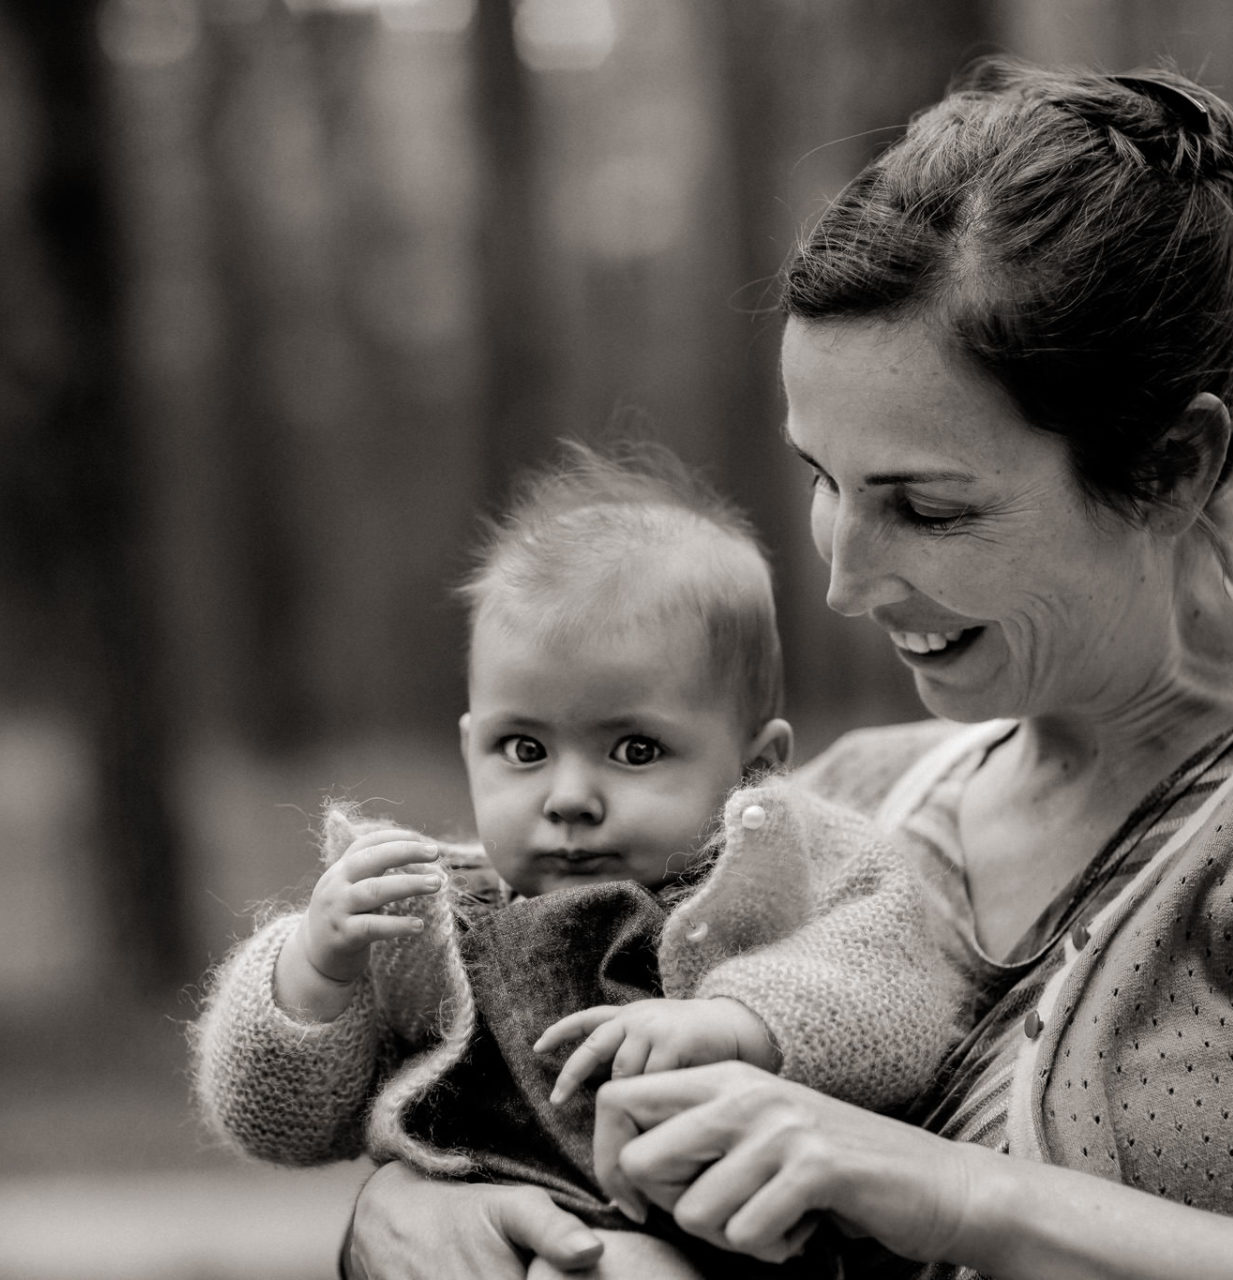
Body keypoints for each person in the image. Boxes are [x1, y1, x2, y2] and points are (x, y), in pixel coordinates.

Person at [341, 59, 1233, 1280]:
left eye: (928, 506)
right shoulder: (837, 809)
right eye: (824, 480)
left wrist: (958, 1195)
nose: (846, 579)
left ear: (1174, 463)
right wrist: (403, 1218)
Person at [192, 444, 968, 1274]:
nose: (568, 796)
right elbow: (278, 1123)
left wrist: (740, 1023)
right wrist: (313, 972)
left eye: (634, 750)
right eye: (522, 748)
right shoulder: (430, 926)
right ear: (469, 750)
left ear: (756, 765)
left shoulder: (788, 861)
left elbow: (901, 991)